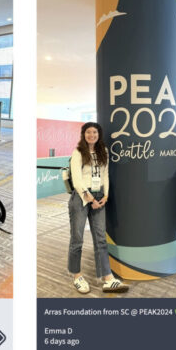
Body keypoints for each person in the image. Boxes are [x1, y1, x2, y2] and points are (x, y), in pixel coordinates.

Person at [67, 122, 128, 294]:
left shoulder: (104, 152)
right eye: (88, 132)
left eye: (94, 132)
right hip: (81, 198)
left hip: (100, 197)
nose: (91, 135)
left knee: (101, 239)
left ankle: (107, 278)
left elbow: (105, 175)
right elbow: (77, 180)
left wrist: (106, 195)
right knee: (77, 239)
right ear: (83, 134)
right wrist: (90, 198)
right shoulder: (78, 152)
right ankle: (76, 275)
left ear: (99, 134)